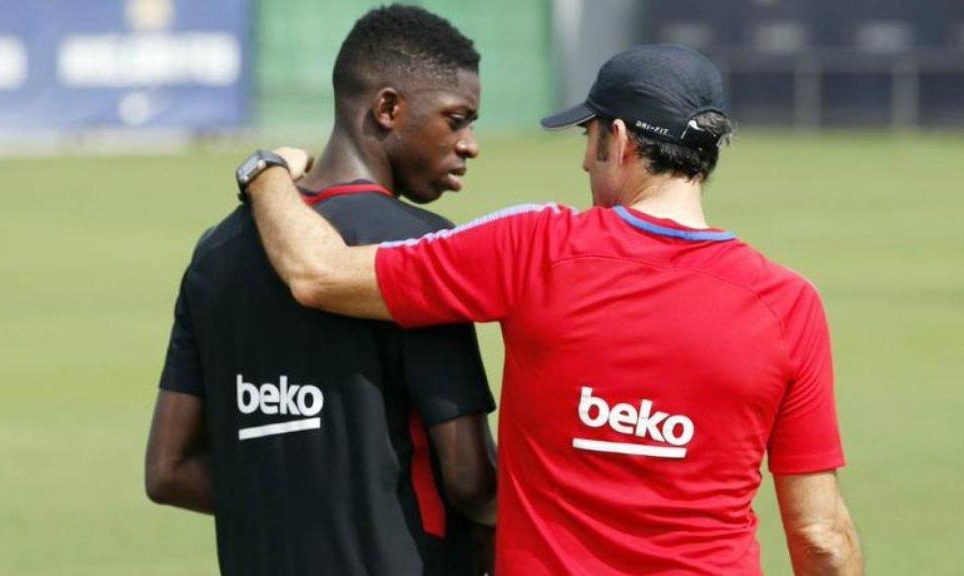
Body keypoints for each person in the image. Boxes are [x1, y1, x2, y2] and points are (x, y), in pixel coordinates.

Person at [238, 44, 863, 575]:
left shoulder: (534, 247)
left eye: (589, 138)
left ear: (619, 140)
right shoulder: (789, 305)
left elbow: (316, 273)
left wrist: (267, 172)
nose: (584, 160)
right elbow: (821, 539)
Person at [144, 6, 498, 575]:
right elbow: (470, 480)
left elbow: (169, 471)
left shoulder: (216, 253)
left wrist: (305, 499)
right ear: (388, 108)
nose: (470, 144)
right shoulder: (421, 251)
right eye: (457, 120)